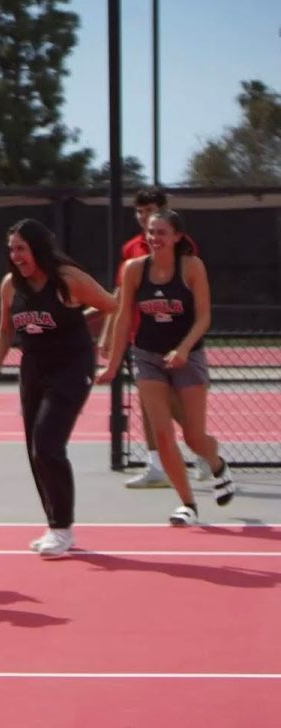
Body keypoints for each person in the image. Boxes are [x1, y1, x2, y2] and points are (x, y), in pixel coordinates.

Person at [0, 218, 116, 557]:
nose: (15, 256)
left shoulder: (66, 280)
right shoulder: (11, 285)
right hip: (34, 367)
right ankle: (55, 523)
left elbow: (111, 305)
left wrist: (80, 322)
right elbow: (5, 330)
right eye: (11, 250)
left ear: (37, 248)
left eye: (21, 249)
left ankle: (62, 528)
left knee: (47, 443)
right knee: (35, 449)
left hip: (71, 365)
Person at [97, 210, 234, 523]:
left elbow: (203, 318)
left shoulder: (191, 267)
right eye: (150, 232)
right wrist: (113, 364)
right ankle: (188, 504)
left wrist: (183, 349)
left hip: (188, 355)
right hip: (147, 355)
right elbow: (123, 318)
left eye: (161, 232)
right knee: (161, 433)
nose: (154, 238)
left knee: (194, 437)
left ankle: (217, 465)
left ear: (176, 237)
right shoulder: (134, 269)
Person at [100, 186, 209, 488]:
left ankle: (201, 449)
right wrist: (109, 334)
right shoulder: (131, 250)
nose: (144, 217)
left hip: (176, 339)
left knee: (172, 404)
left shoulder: (182, 249)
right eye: (140, 211)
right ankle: (156, 465)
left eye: (150, 210)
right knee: (148, 405)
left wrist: (185, 344)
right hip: (141, 338)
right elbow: (120, 295)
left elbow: (188, 292)